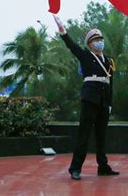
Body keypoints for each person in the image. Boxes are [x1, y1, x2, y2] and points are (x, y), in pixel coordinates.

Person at [53, 15, 119, 180]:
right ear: (90, 44)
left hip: (103, 101)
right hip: (90, 99)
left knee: (101, 136)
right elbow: (72, 46)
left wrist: (109, 103)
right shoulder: (86, 56)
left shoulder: (109, 61)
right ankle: (75, 168)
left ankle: (103, 166)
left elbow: (110, 83)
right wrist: (63, 31)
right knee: (83, 135)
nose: (99, 42)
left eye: (100, 39)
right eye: (96, 40)